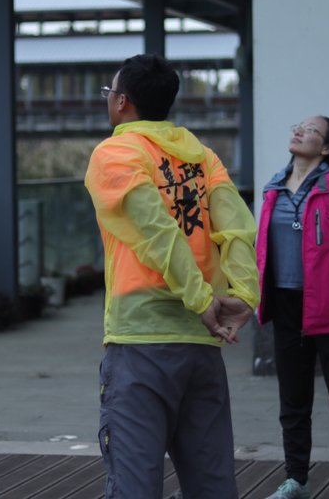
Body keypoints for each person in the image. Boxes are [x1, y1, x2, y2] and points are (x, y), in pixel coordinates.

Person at [84, 54, 260, 499]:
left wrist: (201, 301)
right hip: (202, 347)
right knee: (212, 485)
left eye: (108, 92)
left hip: (141, 341)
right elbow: (237, 229)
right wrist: (245, 296)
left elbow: (157, 233)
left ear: (122, 101)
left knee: (135, 487)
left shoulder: (116, 153)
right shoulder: (204, 157)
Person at [256, 117, 329, 499]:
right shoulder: (273, 187)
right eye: (298, 126)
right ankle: (297, 479)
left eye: (310, 130)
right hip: (286, 306)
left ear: (326, 149)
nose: (298, 131)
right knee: (293, 401)